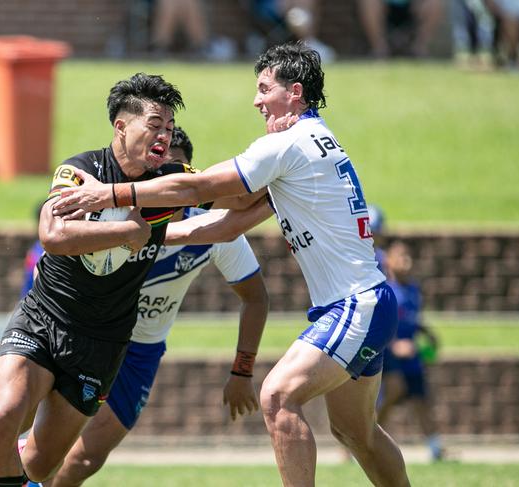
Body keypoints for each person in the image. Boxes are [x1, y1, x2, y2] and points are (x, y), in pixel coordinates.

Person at [53, 42, 410, 487]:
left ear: (294, 92)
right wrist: (140, 232)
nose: (257, 100)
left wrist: (109, 195)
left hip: (355, 305)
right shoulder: (314, 143)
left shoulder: (286, 144)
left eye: (264, 89)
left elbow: (196, 188)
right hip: (365, 303)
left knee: (278, 397)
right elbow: (226, 223)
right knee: (356, 433)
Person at [0, 127, 269, 487]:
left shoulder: (208, 230)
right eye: (155, 177)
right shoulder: (114, 222)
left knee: (83, 460)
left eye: (173, 179)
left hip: (140, 351)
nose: (162, 189)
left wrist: (242, 370)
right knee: (17, 412)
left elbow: (255, 295)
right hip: (90, 333)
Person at [0, 72, 201, 487]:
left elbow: (241, 195)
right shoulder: (81, 171)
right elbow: (54, 236)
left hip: (102, 342)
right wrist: (128, 232)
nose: (163, 136)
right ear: (121, 126)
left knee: (39, 466)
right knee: (3, 416)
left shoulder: (170, 182)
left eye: (168, 128)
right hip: (44, 318)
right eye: (153, 125)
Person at [376, 240, 444, 462]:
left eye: (409, 257)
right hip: (390, 354)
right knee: (393, 392)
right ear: (389, 261)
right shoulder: (385, 290)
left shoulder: (414, 288)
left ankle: (435, 448)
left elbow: (412, 319)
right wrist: (395, 344)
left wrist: (427, 333)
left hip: (412, 355)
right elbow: (382, 321)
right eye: (401, 257)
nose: (407, 262)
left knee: (421, 399)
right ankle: (367, 439)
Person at [357, 0, 444, 58]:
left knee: (434, 2)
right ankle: (380, 50)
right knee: (368, 2)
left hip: (410, 9)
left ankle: (419, 49)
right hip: (386, 10)